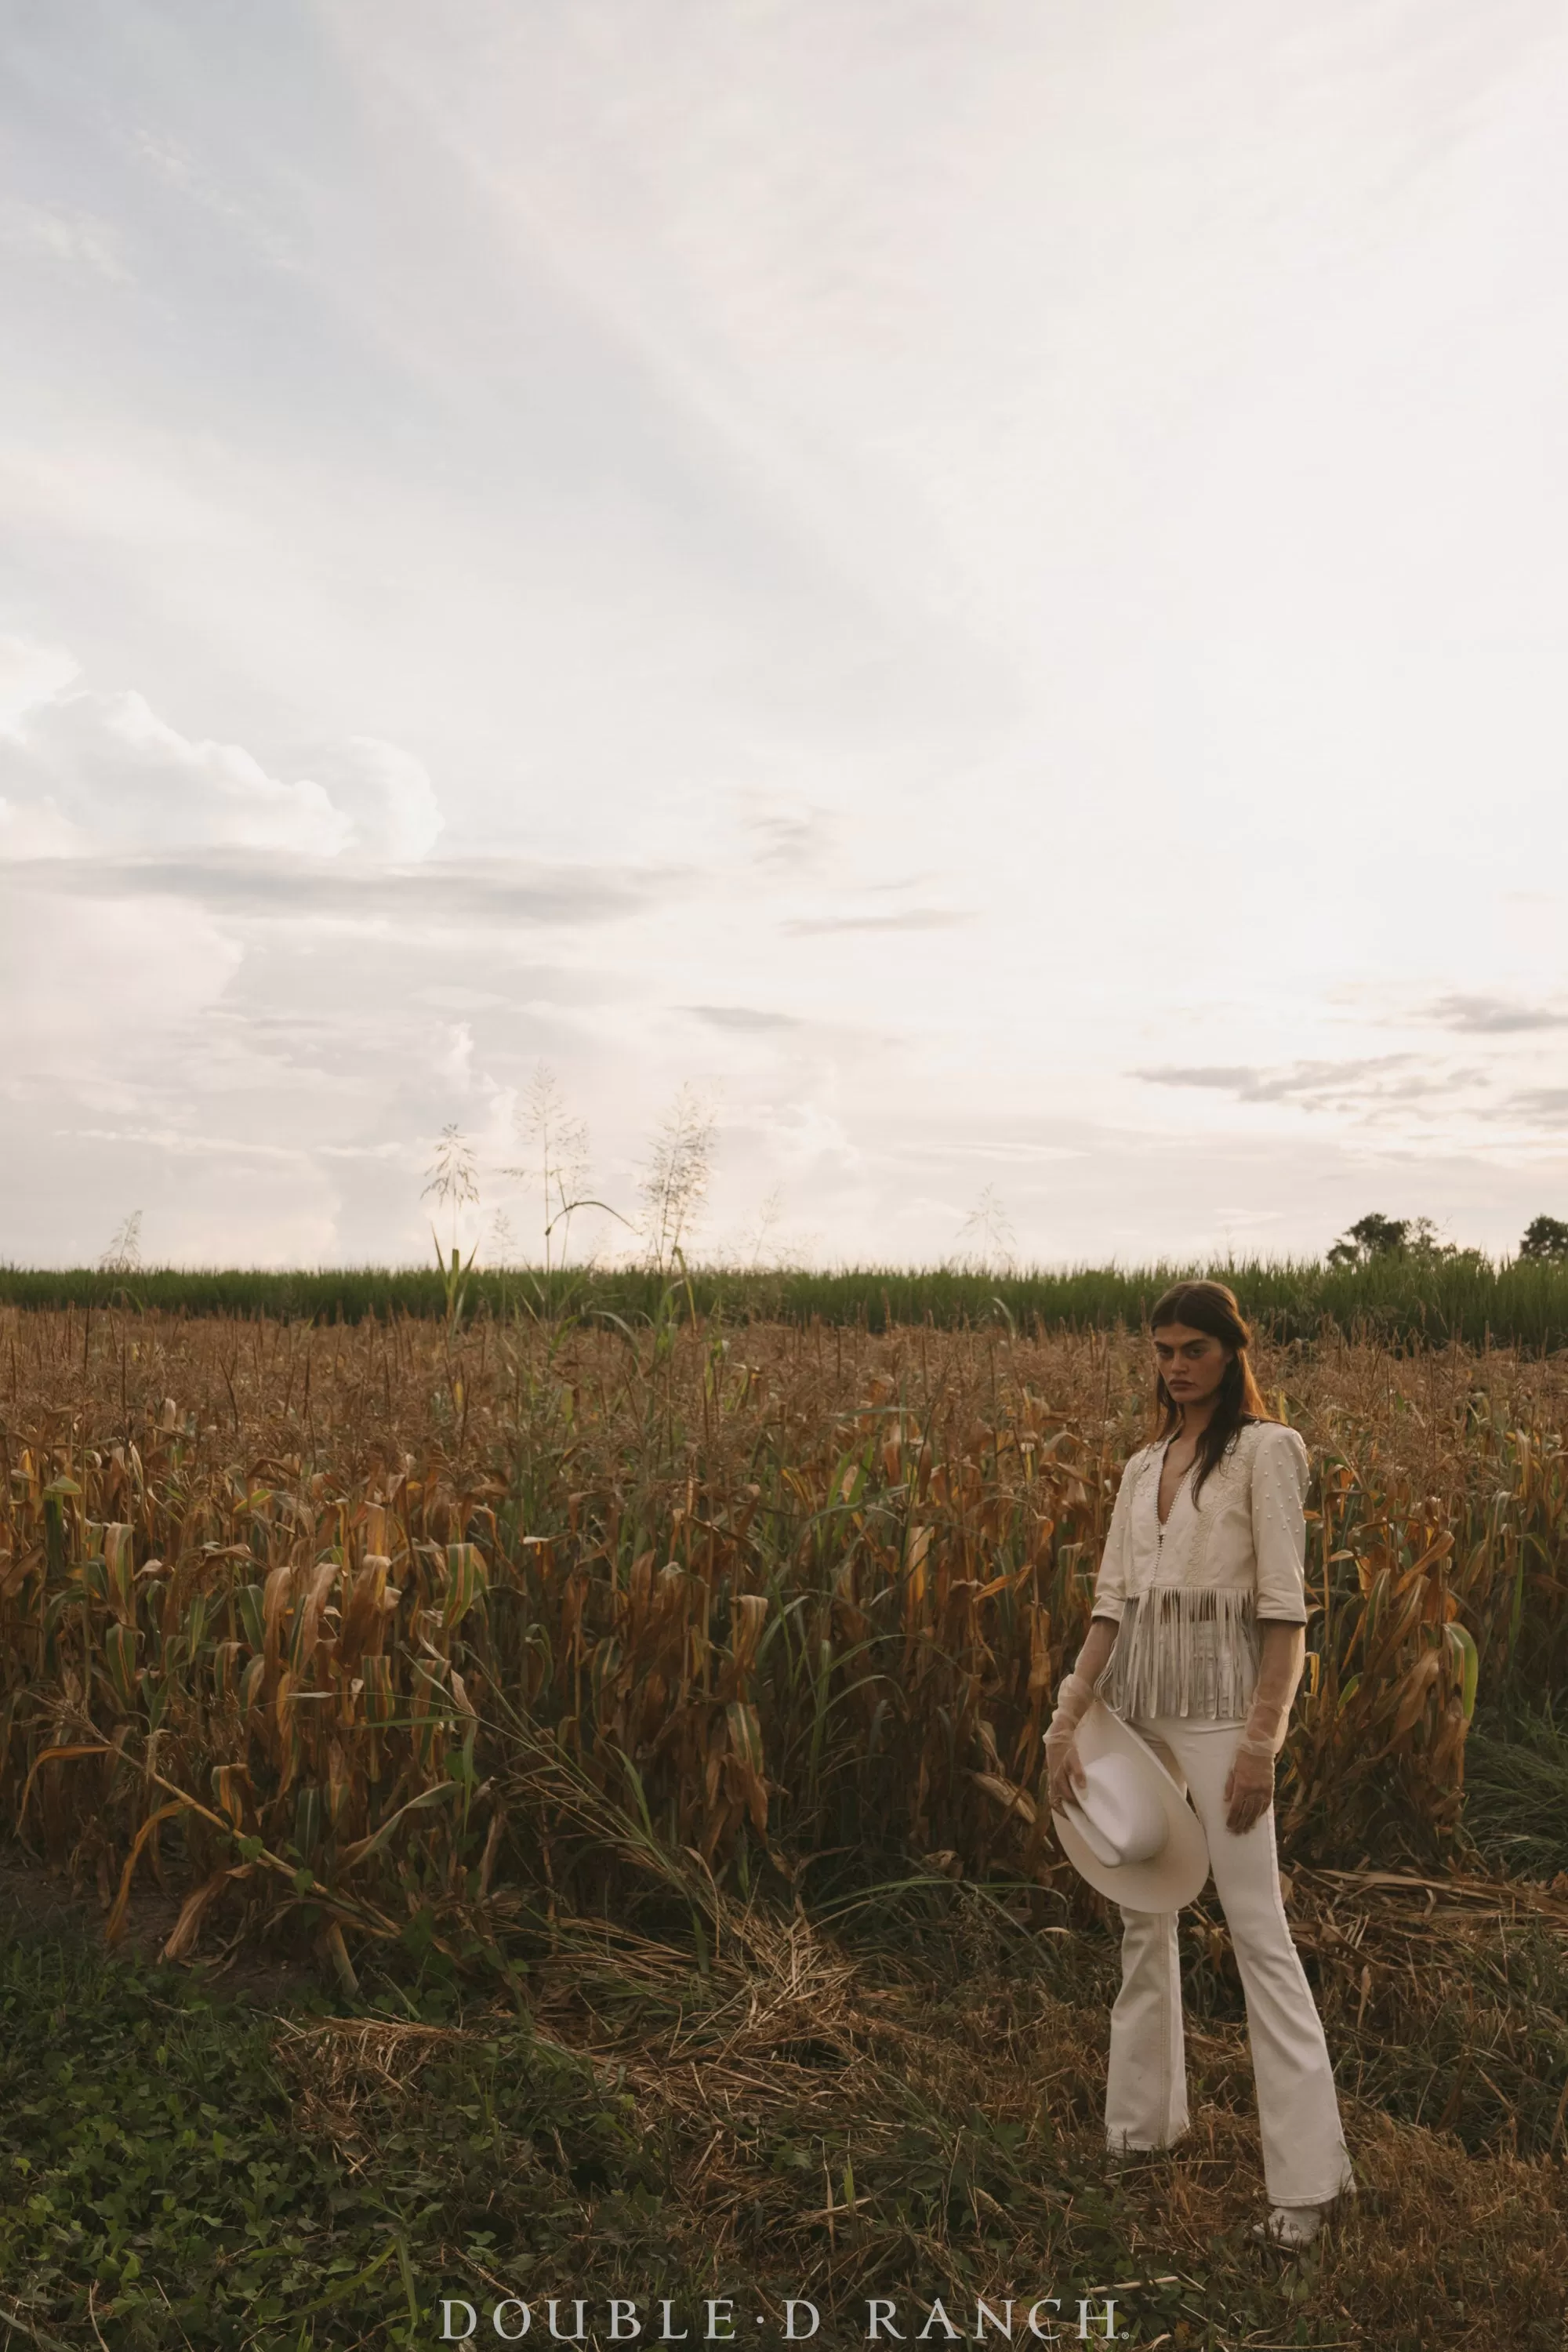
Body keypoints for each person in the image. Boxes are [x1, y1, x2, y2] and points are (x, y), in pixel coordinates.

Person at [1043, 1279, 1355, 2249]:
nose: (1174, 1366)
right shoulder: (1141, 1466)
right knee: (1143, 1920)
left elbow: (1284, 1613)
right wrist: (1066, 1722)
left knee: (1257, 1930)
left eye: (1192, 1349)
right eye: (1162, 1350)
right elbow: (1108, 1608)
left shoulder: (1267, 1451)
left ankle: (1306, 2184)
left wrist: (1260, 1743)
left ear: (1230, 1351)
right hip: (1134, 1707)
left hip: (1224, 1714)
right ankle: (1140, 2132)